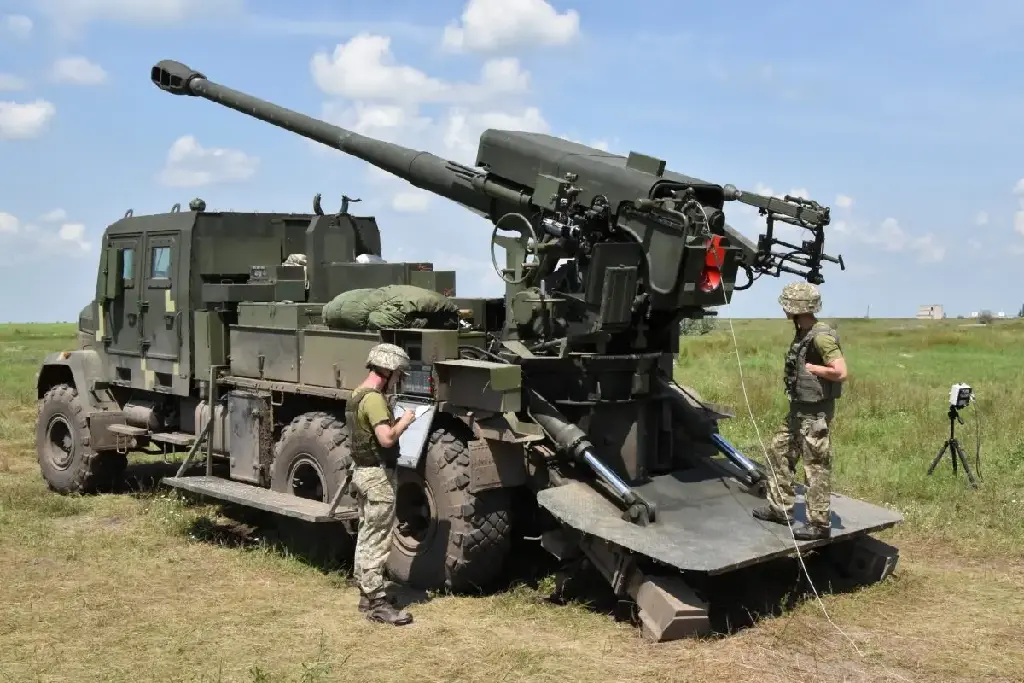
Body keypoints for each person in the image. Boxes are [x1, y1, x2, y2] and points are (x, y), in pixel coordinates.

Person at [752, 282, 847, 541]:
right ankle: (780, 508)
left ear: (796, 307)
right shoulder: (803, 331)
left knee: (815, 467)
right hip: (798, 411)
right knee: (778, 450)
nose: (784, 309)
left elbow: (841, 372)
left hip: (815, 415)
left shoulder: (821, 336)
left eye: (786, 305)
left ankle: (819, 524)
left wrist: (816, 370)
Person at [345, 342, 420, 625]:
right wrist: (406, 421)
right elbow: (386, 438)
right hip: (377, 477)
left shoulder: (356, 394)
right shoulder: (374, 399)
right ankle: (377, 602)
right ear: (387, 370)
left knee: (366, 534)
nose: (398, 379)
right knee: (377, 538)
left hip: (362, 473)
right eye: (398, 374)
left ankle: (366, 594)